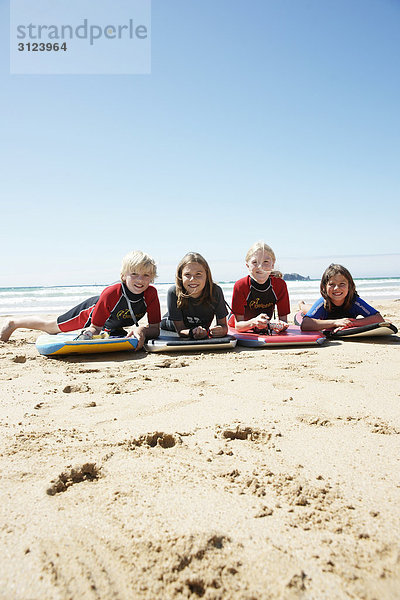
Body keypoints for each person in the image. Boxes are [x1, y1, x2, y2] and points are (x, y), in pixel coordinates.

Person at [0, 250, 161, 349]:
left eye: (146, 275)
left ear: (151, 278)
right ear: (123, 276)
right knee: (51, 327)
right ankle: (13, 323)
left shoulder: (151, 294)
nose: (140, 280)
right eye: (134, 274)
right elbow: (94, 328)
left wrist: (142, 330)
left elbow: (155, 328)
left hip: (114, 324)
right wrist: (88, 335)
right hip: (90, 314)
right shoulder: (112, 293)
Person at [161, 252, 228, 339]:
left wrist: (220, 330)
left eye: (198, 274)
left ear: (207, 276)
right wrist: (193, 332)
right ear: (180, 276)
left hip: (199, 329)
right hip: (170, 324)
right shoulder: (174, 292)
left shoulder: (215, 291)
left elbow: (224, 326)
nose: (193, 279)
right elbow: (180, 330)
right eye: (187, 275)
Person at [300, 263, 384, 332]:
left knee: (312, 309)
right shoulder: (323, 302)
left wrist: (352, 323)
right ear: (324, 287)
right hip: (324, 315)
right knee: (307, 309)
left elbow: (378, 318)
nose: (337, 288)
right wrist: (336, 322)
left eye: (342, 284)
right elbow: (305, 324)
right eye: (332, 284)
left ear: (349, 286)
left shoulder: (354, 301)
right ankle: (301, 305)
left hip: (339, 317)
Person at [230, 241, 290, 333]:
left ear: (272, 264)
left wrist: (279, 325)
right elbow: (238, 326)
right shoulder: (241, 286)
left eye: (265, 261)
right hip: (238, 323)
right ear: (247, 265)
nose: (260, 266)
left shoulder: (280, 285)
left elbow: (284, 321)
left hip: (263, 324)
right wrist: (254, 323)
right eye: (255, 262)